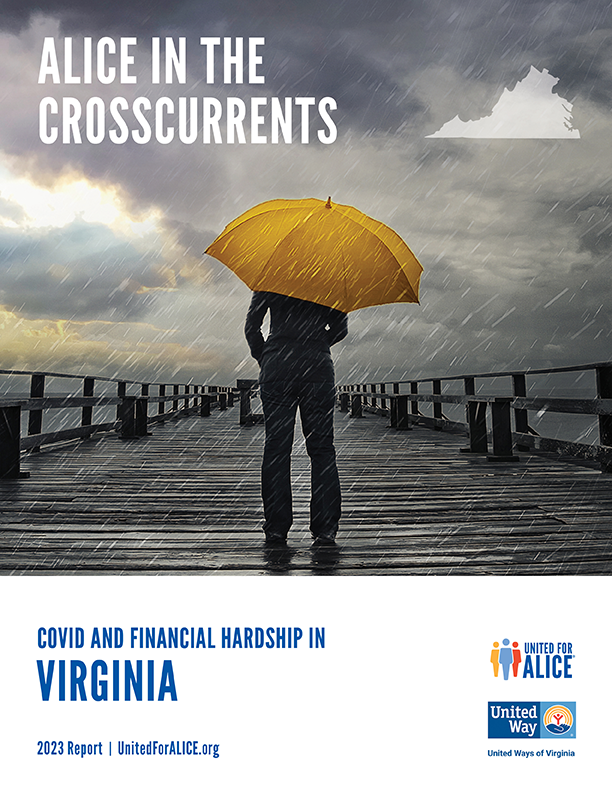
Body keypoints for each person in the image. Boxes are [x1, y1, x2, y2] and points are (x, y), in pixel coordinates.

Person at [244, 290, 348, 545]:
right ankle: (325, 528)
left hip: (278, 366)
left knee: (277, 448)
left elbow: (251, 328)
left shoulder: (270, 277)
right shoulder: (329, 281)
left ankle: (277, 527)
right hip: (318, 368)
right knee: (322, 449)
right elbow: (341, 328)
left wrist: (267, 354)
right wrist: (316, 342)